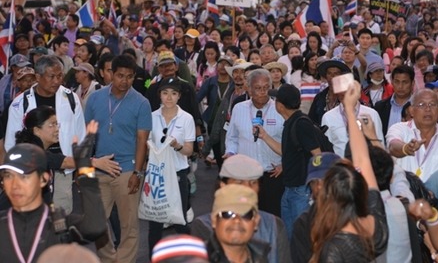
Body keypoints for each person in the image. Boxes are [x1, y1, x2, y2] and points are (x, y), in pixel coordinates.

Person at [0, 122, 106, 262]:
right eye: (8, 176)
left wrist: (85, 171)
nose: (14, 185)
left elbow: (95, 228)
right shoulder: (2, 222)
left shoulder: (58, 224)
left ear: (44, 179)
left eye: (24, 176)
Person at [310, 81, 388, 262]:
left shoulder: (331, 249)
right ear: (363, 191)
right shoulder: (377, 226)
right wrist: (350, 110)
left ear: (327, 197)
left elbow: (361, 160)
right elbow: (363, 159)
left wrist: (348, 109)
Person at [85, 54, 152, 263]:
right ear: (110, 74)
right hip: (99, 169)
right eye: (120, 75)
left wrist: (137, 173)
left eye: (130, 77)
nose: (125, 81)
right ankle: (108, 259)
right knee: (97, 224)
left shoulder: (142, 103)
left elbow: (142, 141)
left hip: (127, 170)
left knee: (129, 225)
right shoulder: (95, 98)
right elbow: (88, 136)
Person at [5, 55, 86, 213]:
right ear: (38, 77)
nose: (56, 81)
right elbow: (11, 142)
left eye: (60, 76)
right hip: (32, 170)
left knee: (61, 215)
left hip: (63, 168)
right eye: (51, 76)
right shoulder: (20, 103)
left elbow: (80, 135)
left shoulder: (71, 98)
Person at [191, 154, 290, 263]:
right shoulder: (203, 226)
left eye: (253, 183)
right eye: (239, 182)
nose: (247, 188)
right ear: (223, 185)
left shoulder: (274, 225)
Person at [258, 84, 321, 239]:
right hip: (290, 188)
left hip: (301, 191)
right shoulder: (291, 122)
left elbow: (318, 155)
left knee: (302, 236)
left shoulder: (301, 124)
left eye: (276, 100)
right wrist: (264, 136)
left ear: (280, 105)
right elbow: (286, 152)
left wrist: (315, 186)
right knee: (290, 236)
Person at [224, 69, 284, 216]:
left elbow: (289, 142)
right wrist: (230, 153)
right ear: (249, 89)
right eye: (258, 88)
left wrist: (285, 164)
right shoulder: (239, 108)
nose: (263, 92)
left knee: (272, 218)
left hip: (272, 174)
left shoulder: (280, 109)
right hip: (246, 176)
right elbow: (232, 137)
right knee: (247, 216)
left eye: (266, 87)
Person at [148, 77, 195, 253]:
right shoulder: (151, 117)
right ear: (159, 95)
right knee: (155, 222)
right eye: (165, 93)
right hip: (157, 175)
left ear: (179, 96)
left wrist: (177, 145)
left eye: (173, 93)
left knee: (180, 221)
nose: (169, 97)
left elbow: (189, 150)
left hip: (178, 173)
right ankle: (154, 257)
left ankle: (191, 255)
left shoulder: (187, 118)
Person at [386, 88, 438, 181]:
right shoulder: (399, 129)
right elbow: (393, 146)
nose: (428, 109)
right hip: (404, 193)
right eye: (422, 105)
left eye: (432, 104)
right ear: (412, 111)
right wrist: (406, 148)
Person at [206, 184, 270, 262]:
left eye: (246, 215)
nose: (237, 220)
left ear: (256, 222)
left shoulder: (263, 257)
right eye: (228, 214)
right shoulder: (195, 259)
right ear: (214, 220)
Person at [374, 65, 415, 137]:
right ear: (392, 82)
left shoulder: (419, 107)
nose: (400, 86)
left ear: (412, 83)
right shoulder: (380, 107)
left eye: (405, 82)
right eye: (397, 82)